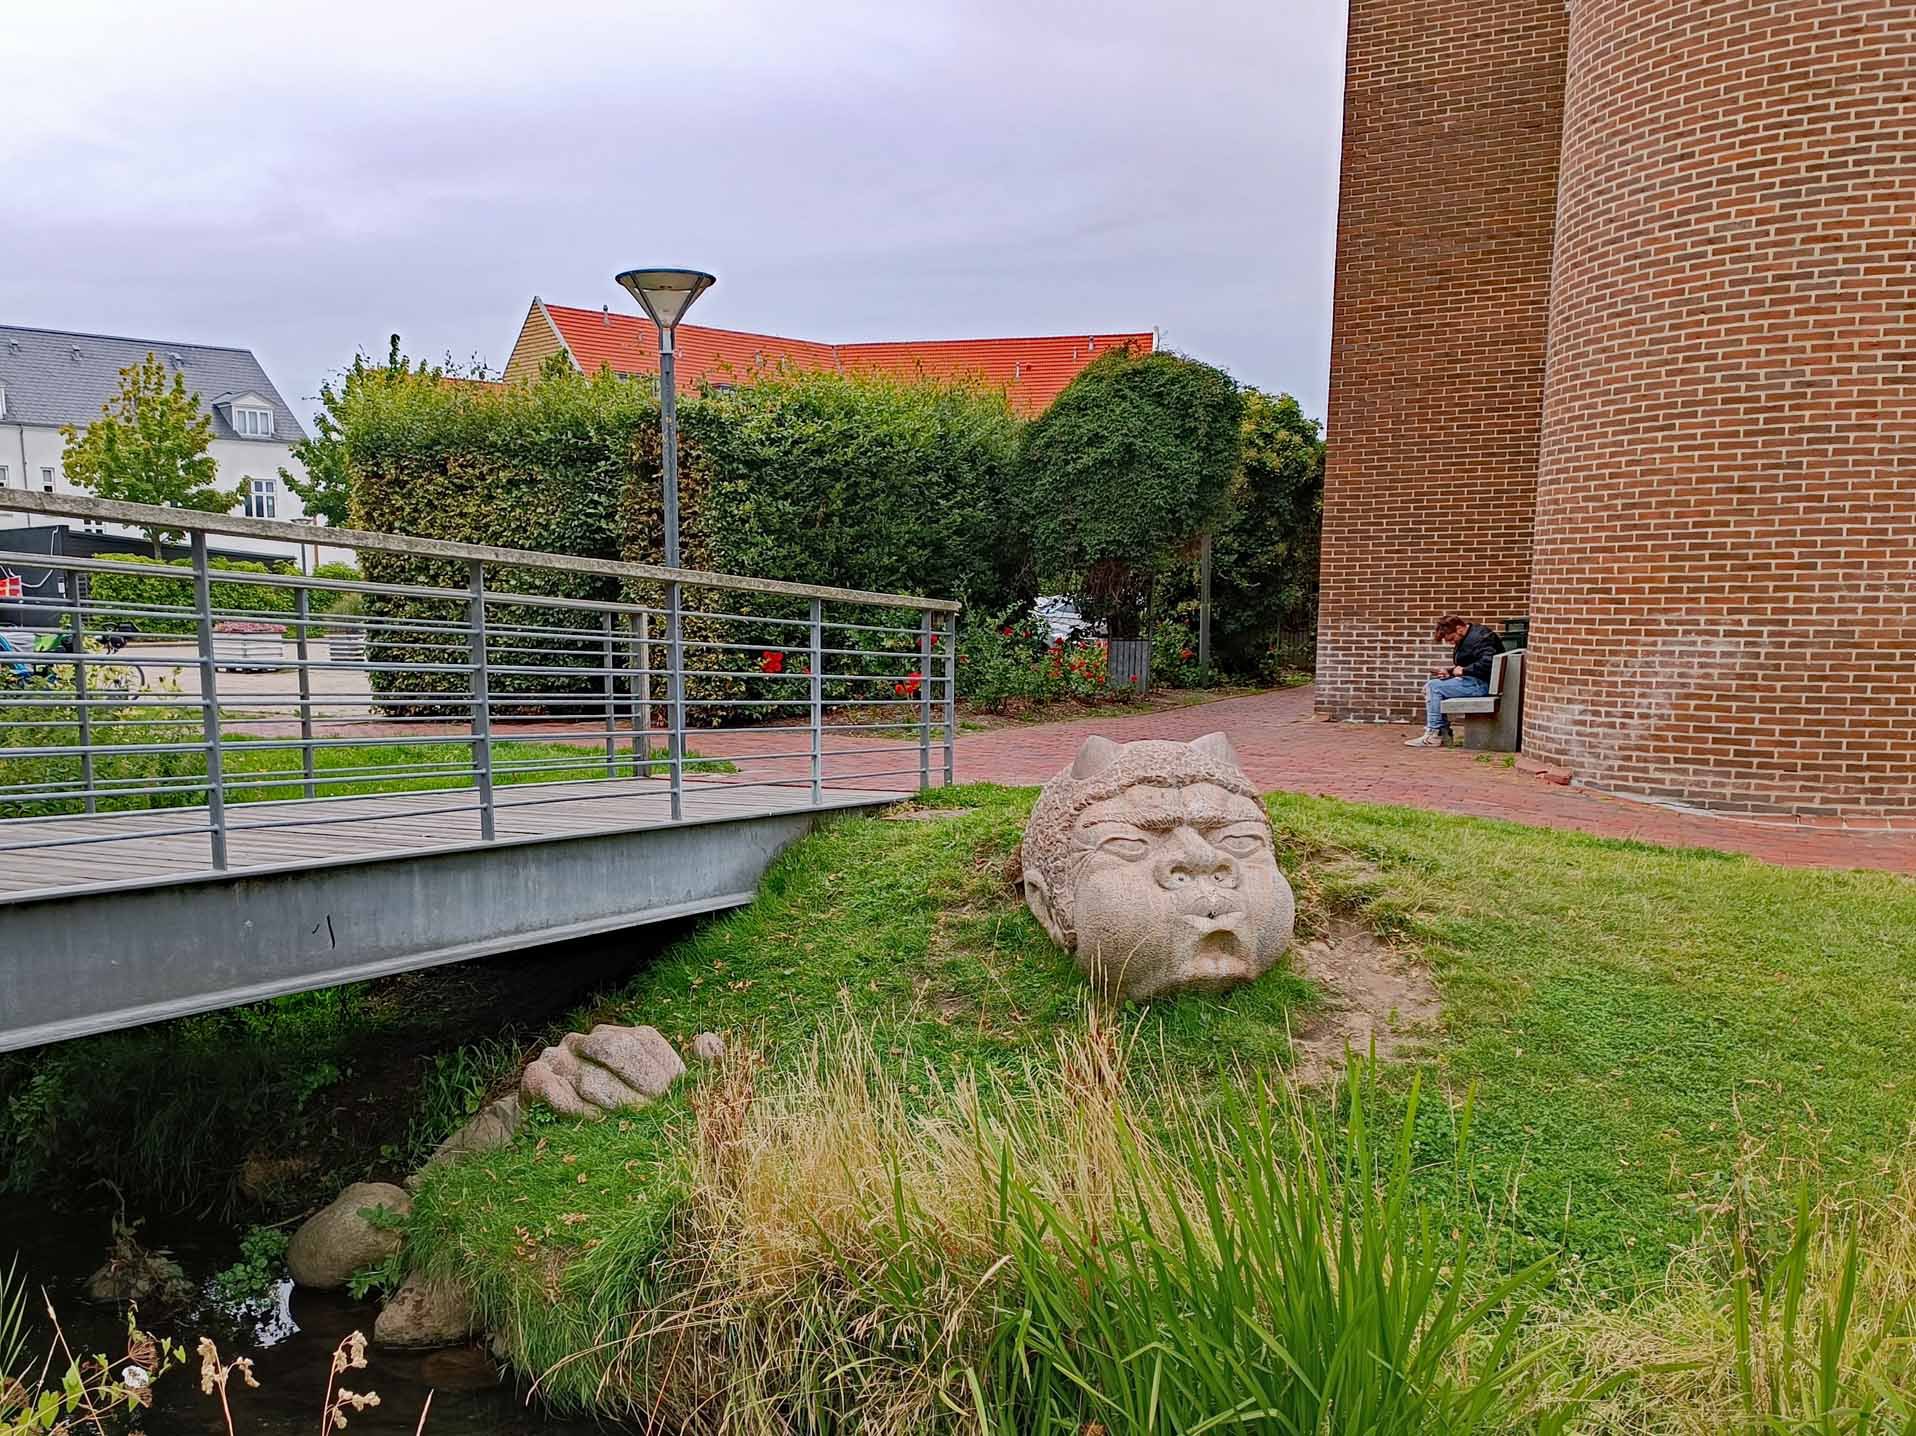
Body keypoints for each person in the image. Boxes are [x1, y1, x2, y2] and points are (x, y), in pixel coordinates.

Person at [1405, 614, 1503, 748]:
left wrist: (1464, 671)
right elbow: (1469, 664)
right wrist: (1449, 672)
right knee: (1433, 686)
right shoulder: (1469, 636)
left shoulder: (1482, 637)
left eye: (1451, 639)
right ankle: (1441, 733)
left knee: (1433, 687)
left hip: (1482, 684)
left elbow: (1489, 662)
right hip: (1475, 681)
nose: (1451, 643)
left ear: (1459, 628)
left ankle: (1435, 734)